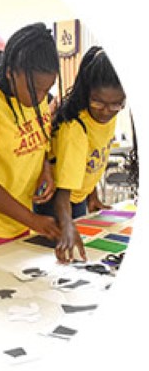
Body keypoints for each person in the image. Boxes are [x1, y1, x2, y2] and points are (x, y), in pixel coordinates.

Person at [0, 22, 61, 256]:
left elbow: (41, 143)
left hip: (20, 222)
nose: (40, 97)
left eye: (46, 89)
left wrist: (45, 170)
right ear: (9, 73)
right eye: (34, 89)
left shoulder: (36, 98)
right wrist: (32, 219)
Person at [34, 46, 127, 262]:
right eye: (98, 102)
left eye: (116, 104)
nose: (106, 111)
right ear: (87, 93)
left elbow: (93, 158)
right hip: (58, 205)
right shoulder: (75, 129)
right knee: (61, 262)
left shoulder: (107, 118)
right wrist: (67, 224)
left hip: (78, 200)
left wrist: (92, 196)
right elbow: (62, 193)